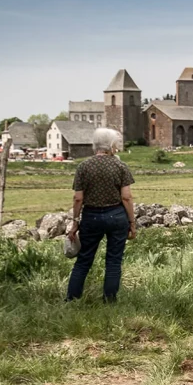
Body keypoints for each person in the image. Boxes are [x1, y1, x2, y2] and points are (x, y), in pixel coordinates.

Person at [66, 128, 137, 302]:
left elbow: (77, 198)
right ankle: (109, 300)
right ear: (112, 145)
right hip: (116, 215)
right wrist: (132, 222)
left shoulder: (83, 166)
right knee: (113, 261)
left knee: (83, 260)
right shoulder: (120, 166)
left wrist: (75, 222)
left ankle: (72, 299)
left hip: (91, 216)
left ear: (95, 145)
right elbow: (126, 197)